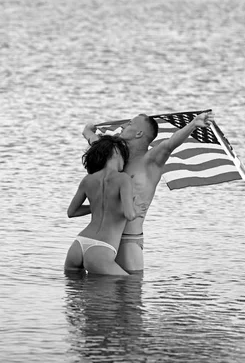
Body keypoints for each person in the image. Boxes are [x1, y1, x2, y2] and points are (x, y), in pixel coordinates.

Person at [79, 111, 214, 273]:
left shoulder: (151, 160)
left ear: (139, 133)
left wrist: (192, 124)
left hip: (128, 241)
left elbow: (170, 144)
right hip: (102, 239)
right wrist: (87, 131)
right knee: (96, 294)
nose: (122, 126)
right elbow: (95, 141)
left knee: (130, 292)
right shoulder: (113, 156)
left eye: (129, 124)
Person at [64, 135, 148, 276]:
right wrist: (136, 210)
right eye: (123, 155)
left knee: (76, 294)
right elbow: (129, 214)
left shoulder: (88, 180)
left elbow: (71, 212)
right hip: (101, 248)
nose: (125, 161)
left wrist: (99, 205)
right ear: (115, 152)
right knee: (130, 283)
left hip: (78, 245)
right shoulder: (123, 179)